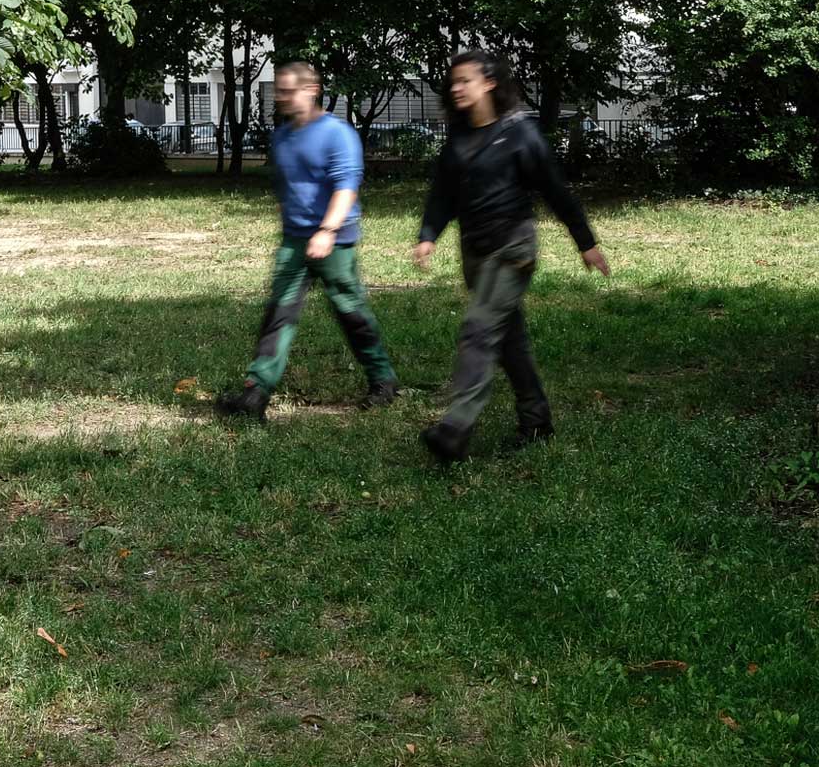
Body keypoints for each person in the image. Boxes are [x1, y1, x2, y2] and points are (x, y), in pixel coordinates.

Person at [411, 52, 611, 463]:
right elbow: (444, 194)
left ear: (489, 83)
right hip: (474, 250)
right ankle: (537, 421)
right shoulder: (459, 136)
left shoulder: (521, 133)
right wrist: (428, 235)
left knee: (479, 330)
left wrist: (585, 243)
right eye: (453, 82)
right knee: (507, 340)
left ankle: (455, 429)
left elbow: (556, 191)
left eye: (465, 80)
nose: (456, 88)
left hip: (512, 248)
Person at [216, 61, 400, 420]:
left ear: (311, 90)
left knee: (350, 312)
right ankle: (255, 394)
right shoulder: (283, 136)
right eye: (279, 91)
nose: (282, 97)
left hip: (335, 241)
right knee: (278, 314)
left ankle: (383, 380)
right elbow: (288, 187)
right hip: (294, 241)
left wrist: (327, 231)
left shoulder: (337, 133)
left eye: (289, 91)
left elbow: (346, 186)